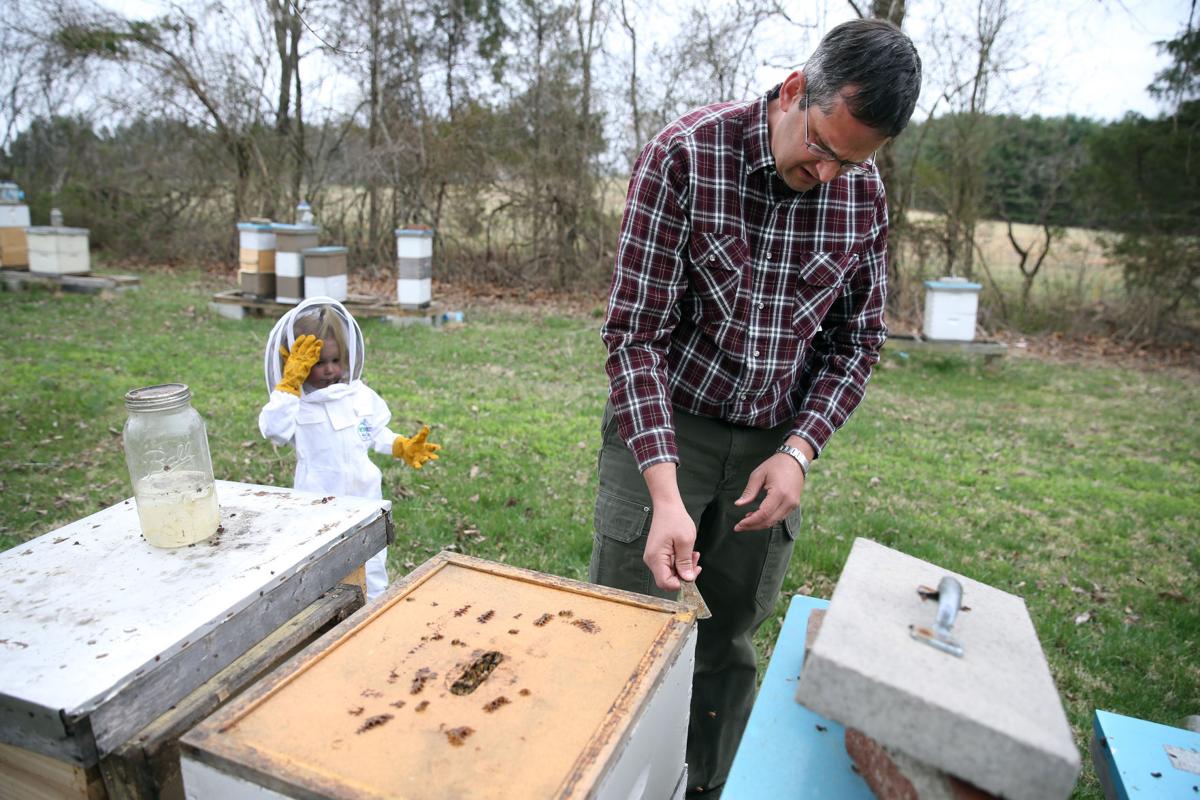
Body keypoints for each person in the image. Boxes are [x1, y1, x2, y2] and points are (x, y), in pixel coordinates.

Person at [590, 19, 922, 797]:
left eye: (854, 162)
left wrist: (800, 449)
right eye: (824, 147)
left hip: (774, 440)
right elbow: (634, 338)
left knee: (728, 637)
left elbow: (857, 344)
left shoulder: (861, 196)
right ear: (795, 90)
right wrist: (665, 495)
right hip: (667, 427)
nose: (832, 172)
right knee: (629, 626)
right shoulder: (684, 157)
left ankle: (707, 783)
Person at [259, 297, 440, 602]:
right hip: (318, 501)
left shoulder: (358, 395)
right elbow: (274, 430)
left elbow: (372, 431)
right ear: (295, 361)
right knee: (324, 567)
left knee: (372, 560)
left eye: (336, 360)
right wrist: (290, 384)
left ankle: (373, 610)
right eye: (318, 363)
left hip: (364, 495)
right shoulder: (296, 404)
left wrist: (400, 445)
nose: (330, 370)